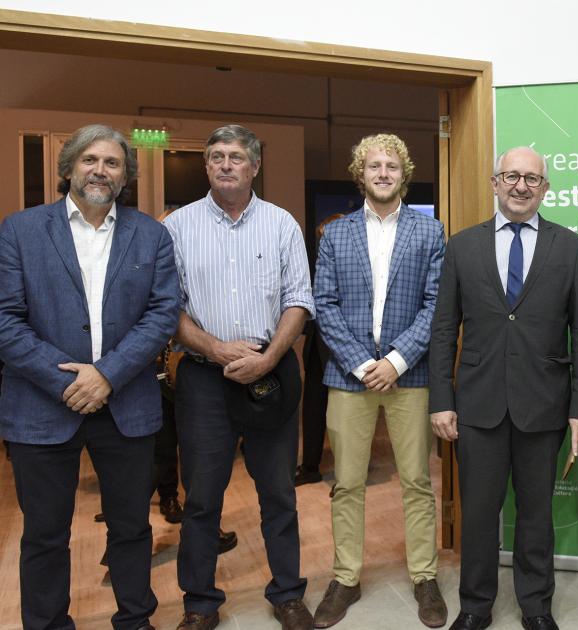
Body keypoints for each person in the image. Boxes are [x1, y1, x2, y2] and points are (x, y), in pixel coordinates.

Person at [0, 124, 179, 630]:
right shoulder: (20, 230)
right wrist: (68, 382)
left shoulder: (151, 234)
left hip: (125, 403)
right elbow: (4, 319)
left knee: (130, 527)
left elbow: (163, 314)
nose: (101, 170)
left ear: (126, 175)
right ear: (69, 168)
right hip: (42, 405)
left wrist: (107, 376)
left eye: (113, 163)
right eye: (90, 160)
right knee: (44, 534)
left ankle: (135, 620)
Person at [429, 146, 578, 630]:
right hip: (477, 404)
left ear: (545, 188)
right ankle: (476, 606)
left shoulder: (569, 248)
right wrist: (442, 400)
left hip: (543, 404)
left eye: (532, 179)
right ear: (494, 183)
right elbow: (444, 329)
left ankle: (536, 607)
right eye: (510, 176)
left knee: (536, 515)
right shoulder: (462, 246)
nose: (521, 186)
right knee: (479, 516)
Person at [163, 124, 314, 630]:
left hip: (269, 373)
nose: (226, 164)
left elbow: (299, 299)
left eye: (236, 157)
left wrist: (270, 356)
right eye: (217, 157)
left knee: (278, 492)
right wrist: (214, 347)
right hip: (205, 377)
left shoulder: (282, 225)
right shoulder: (177, 226)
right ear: (206, 166)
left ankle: (288, 594)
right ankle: (200, 603)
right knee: (202, 497)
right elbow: (169, 307)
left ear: (254, 167)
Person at [313, 133, 447, 628]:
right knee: (346, 483)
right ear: (360, 173)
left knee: (416, 480)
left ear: (404, 173)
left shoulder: (430, 233)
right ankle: (346, 578)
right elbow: (322, 304)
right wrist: (359, 362)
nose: (384, 172)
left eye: (392, 165)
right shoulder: (335, 234)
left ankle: (424, 576)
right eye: (375, 165)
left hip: (410, 376)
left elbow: (436, 305)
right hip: (349, 378)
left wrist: (395, 359)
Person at [295, 213, 346, 487]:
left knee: (343, 417)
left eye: (328, 236)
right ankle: (310, 467)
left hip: (342, 353)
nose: (324, 242)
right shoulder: (320, 266)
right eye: (321, 237)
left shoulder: (357, 269)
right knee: (313, 411)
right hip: (316, 349)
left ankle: (346, 475)